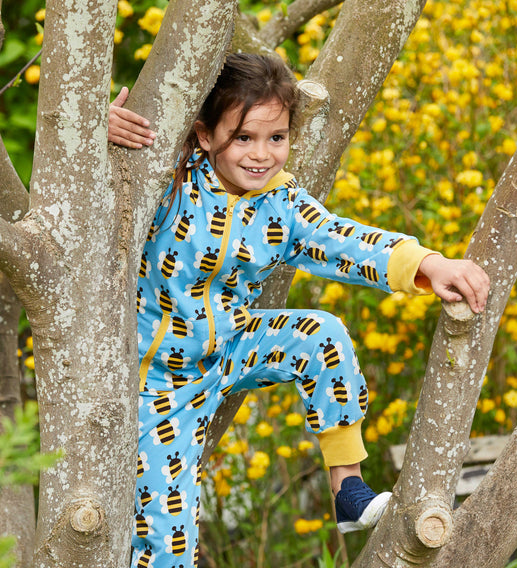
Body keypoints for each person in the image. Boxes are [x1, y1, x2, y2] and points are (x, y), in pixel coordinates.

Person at [109, 53, 489, 568]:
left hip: (231, 347)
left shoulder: (281, 204)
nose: (262, 155)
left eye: (277, 138)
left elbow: (345, 241)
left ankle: (347, 490)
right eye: (243, 138)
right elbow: (87, 194)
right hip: (157, 384)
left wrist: (428, 261)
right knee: (168, 541)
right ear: (204, 135)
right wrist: (99, 134)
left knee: (322, 333)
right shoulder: (168, 179)